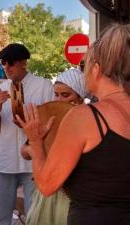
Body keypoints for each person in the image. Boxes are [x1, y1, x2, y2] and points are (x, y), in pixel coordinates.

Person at [17, 24, 130, 225]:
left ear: (96, 69)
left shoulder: (84, 116)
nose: (83, 74)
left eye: (85, 66)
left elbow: (46, 185)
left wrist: (35, 140)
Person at [0, 43, 53, 225]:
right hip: (5, 161)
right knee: (0, 217)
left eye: (10, 63)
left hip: (34, 163)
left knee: (35, 217)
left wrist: (30, 124)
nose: (6, 67)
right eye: (3, 63)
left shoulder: (44, 86)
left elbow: (52, 124)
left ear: (23, 63)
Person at [22, 68, 87, 225]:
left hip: (72, 194)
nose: (58, 99)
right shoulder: (47, 118)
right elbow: (24, 151)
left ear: (79, 97)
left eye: (65, 95)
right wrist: (35, 147)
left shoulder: (87, 121)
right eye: (56, 94)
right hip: (47, 193)